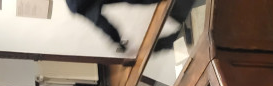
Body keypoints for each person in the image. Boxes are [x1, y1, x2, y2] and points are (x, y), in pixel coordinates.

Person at [64, 0, 196, 53]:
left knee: (179, 9)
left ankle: (182, 37)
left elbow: (103, 25)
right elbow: (103, 25)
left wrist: (118, 43)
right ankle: (184, 35)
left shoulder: (74, 4)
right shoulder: (76, 3)